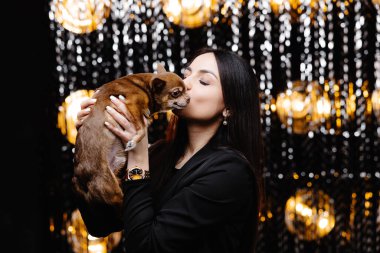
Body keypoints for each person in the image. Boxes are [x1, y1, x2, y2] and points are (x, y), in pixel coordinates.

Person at [75, 47, 264, 253]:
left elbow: (147, 248)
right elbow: (100, 225)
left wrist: (138, 158)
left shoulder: (230, 172)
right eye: (186, 74)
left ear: (229, 108)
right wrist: (89, 144)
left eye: (203, 81)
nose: (185, 84)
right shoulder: (160, 154)